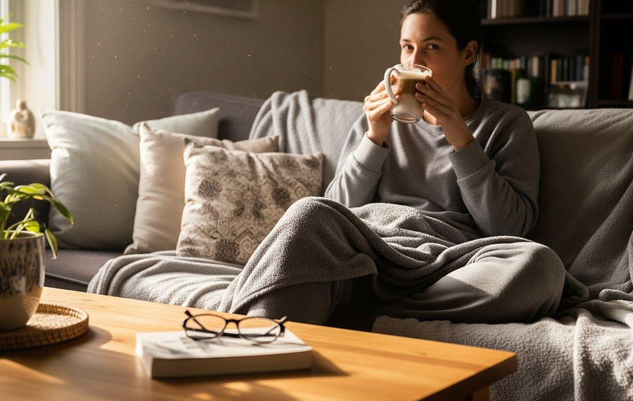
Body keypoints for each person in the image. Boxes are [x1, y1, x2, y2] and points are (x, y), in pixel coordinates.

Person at [238, 0, 565, 325]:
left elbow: (509, 228)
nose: (414, 61)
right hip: (370, 255)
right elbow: (337, 207)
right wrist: (374, 137)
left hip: (451, 265)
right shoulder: (377, 120)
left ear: (467, 53)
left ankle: (369, 314)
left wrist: (460, 137)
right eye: (407, 47)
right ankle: (275, 339)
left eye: (431, 47)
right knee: (306, 211)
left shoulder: (507, 123)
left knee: (540, 265)